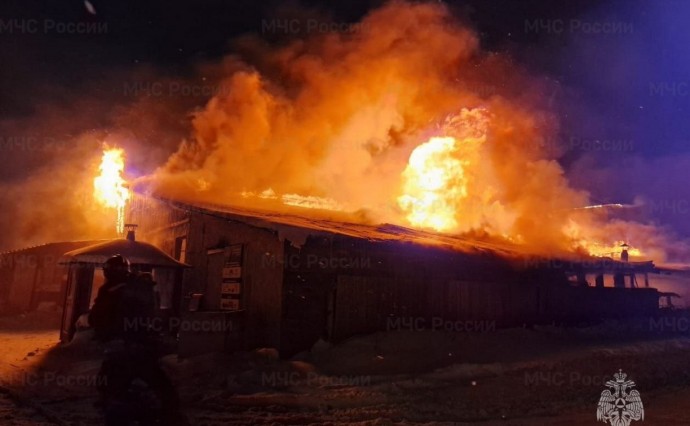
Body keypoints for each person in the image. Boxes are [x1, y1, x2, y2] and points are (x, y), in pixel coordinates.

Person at [85, 255, 186, 425]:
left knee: (115, 383)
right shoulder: (135, 287)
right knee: (155, 382)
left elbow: (98, 317)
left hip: (126, 346)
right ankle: (169, 413)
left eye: (108, 270)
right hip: (137, 345)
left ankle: (156, 414)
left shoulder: (114, 291)